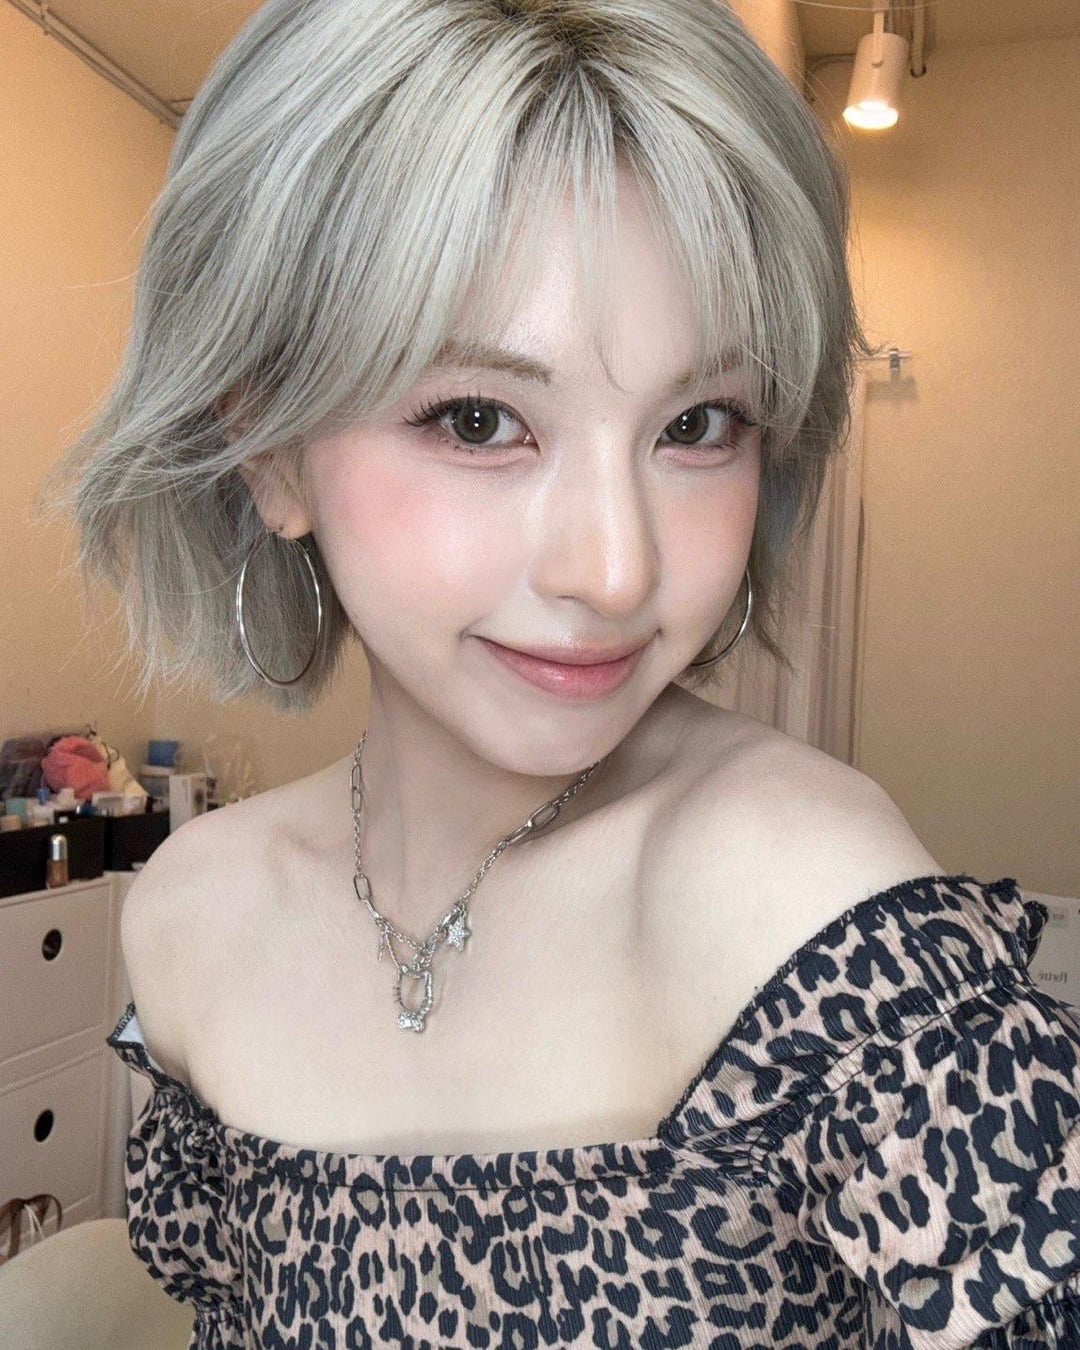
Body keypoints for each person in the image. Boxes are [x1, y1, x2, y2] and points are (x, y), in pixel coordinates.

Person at [42, 0, 1080, 1345]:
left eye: (698, 424)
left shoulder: (795, 896)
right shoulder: (192, 912)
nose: (617, 569)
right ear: (272, 455)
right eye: (481, 420)